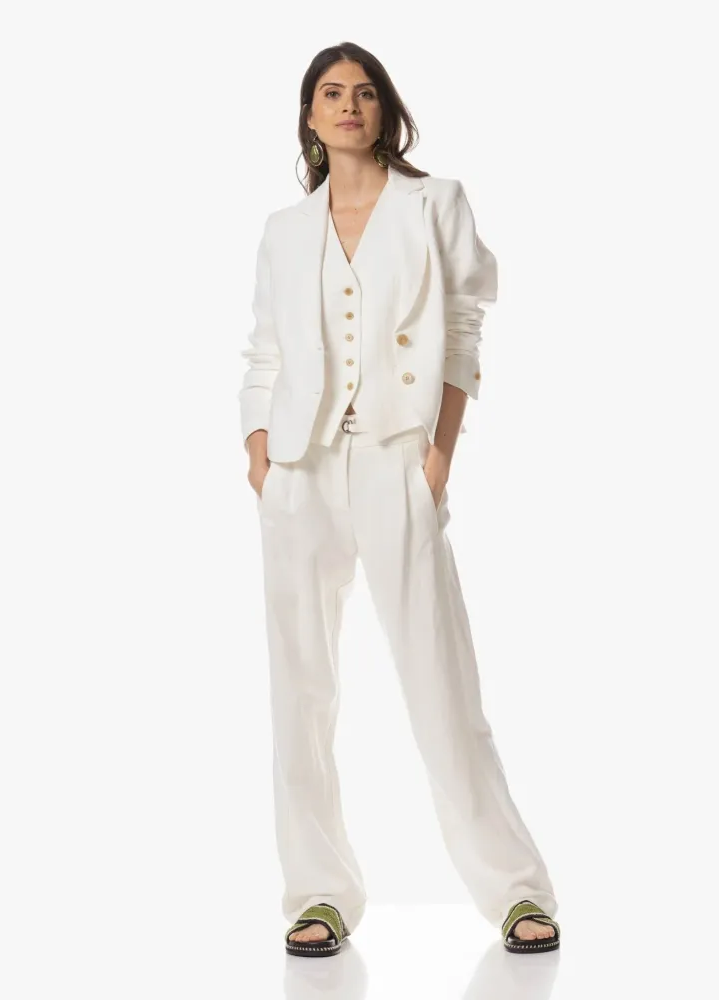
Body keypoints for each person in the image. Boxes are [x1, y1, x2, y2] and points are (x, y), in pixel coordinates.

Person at [239, 41, 560, 957]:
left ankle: (515, 891)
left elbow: (462, 331)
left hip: (396, 461)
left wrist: (439, 454)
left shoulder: (434, 204)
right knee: (299, 691)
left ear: (385, 110)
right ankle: (318, 893)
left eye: (365, 93)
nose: (349, 105)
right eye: (331, 93)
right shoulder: (284, 229)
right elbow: (265, 350)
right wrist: (259, 453)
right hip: (299, 468)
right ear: (309, 117)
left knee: (440, 682)